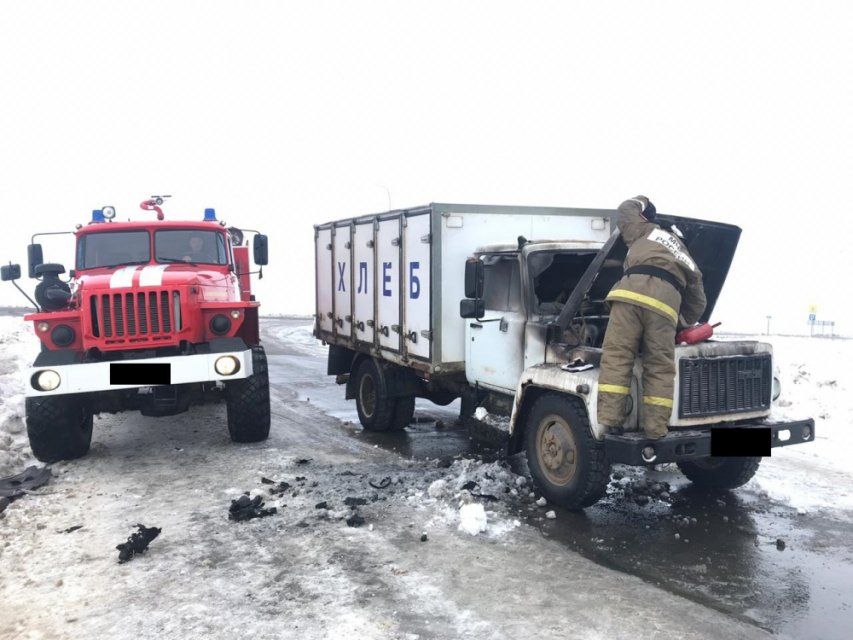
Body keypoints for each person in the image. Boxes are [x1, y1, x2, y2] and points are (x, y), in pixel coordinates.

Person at [597, 196, 707, 439]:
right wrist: (681, 323)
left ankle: (610, 423)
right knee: (659, 367)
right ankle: (656, 431)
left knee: (617, 356)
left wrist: (643, 201)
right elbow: (698, 295)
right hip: (665, 306)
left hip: (629, 295)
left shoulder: (644, 230)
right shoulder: (681, 250)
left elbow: (626, 209)